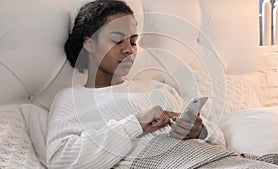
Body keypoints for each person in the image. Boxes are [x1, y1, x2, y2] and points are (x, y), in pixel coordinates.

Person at [45, 0, 246, 168]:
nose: (129, 50)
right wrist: (136, 124)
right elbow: (60, 160)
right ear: (89, 43)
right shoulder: (71, 99)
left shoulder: (156, 87)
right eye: (117, 41)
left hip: (216, 159)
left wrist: (199, 131)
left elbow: (219, 140)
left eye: (133, 42)